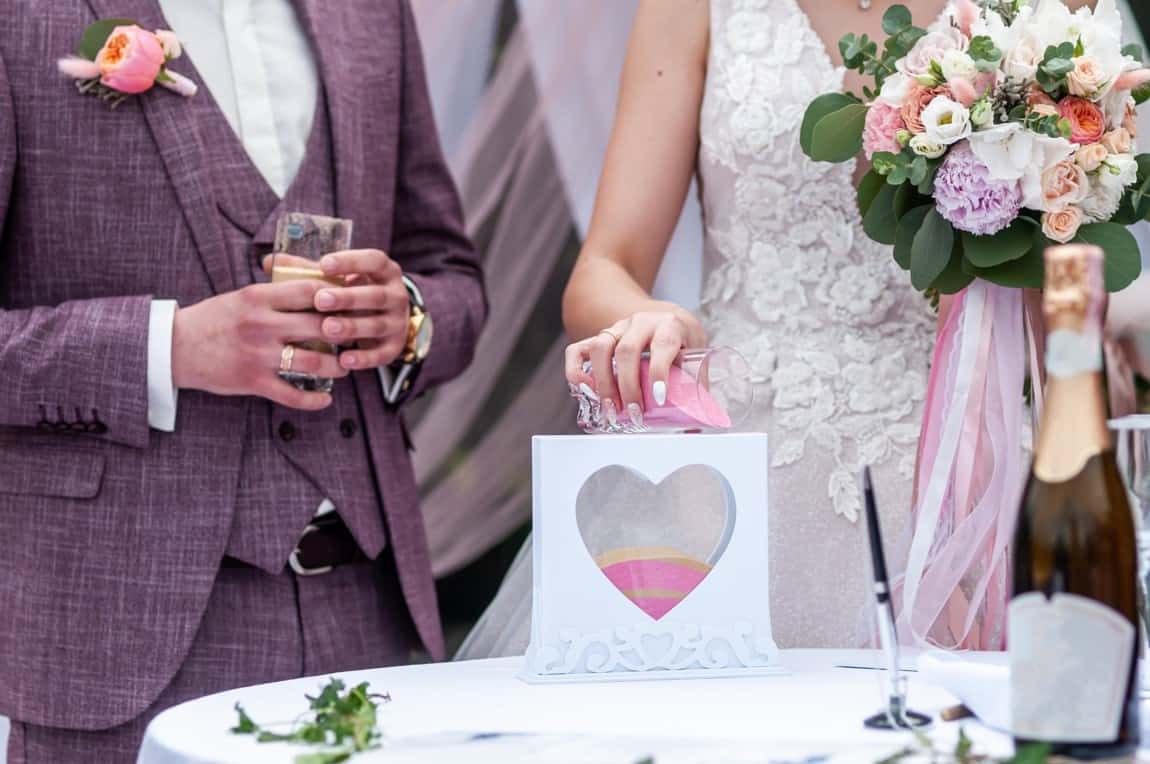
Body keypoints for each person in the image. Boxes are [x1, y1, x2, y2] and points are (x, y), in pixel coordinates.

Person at [460, 0, 1103, 658]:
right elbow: (603, 268)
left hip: (965, 471)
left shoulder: (1042, 13)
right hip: (738, 482)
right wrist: (651, 319)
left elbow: (1070, 275)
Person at [0, 1, 485, 761]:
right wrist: (170, 346)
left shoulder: (374, 9)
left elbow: (450, 272)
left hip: (370, 621)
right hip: (118, 640)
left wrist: (409, 318)